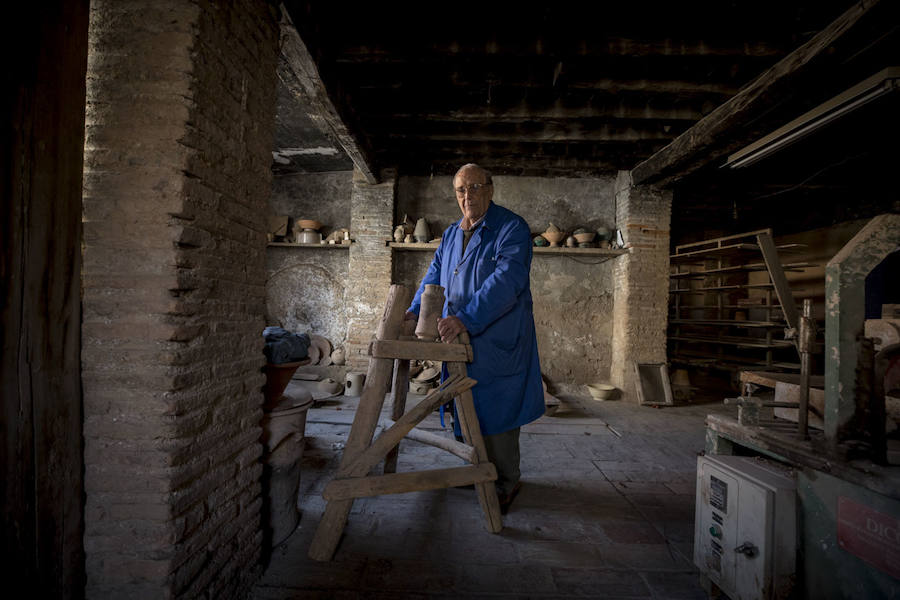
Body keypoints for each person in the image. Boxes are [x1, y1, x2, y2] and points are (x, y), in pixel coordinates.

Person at [406, 163, 544, 514]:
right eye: (460, 190)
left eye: (475, 187)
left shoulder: (511, 228)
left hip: (496, 336)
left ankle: (504, 483)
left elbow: (506, 282)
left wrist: (465, 319)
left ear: (490, 189)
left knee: (496, 410)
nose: (467, 196)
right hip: (459, 336)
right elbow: (433, 276)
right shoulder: (453, 233)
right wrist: (414, 310)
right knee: (462, 404)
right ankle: (474, 469)